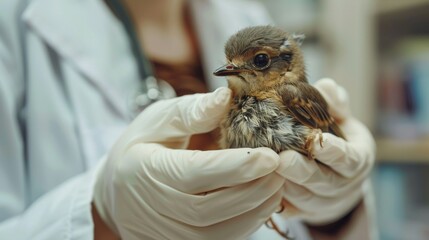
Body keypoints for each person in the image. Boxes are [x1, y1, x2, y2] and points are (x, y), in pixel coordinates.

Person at [0, 0, 376, 239]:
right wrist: (99, 214)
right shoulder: (15, 21)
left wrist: (333, 212)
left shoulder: (246, 17)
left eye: (258, 63)